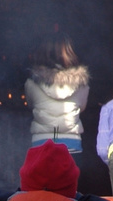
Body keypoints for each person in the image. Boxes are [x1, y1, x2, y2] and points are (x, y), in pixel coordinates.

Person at [24, 33, 90, 163]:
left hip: (41, 143)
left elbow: (30, 105)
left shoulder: (31, 84)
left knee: (43, 183)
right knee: (69, 183)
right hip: (71, 144)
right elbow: (82, 108)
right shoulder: (82, 85)